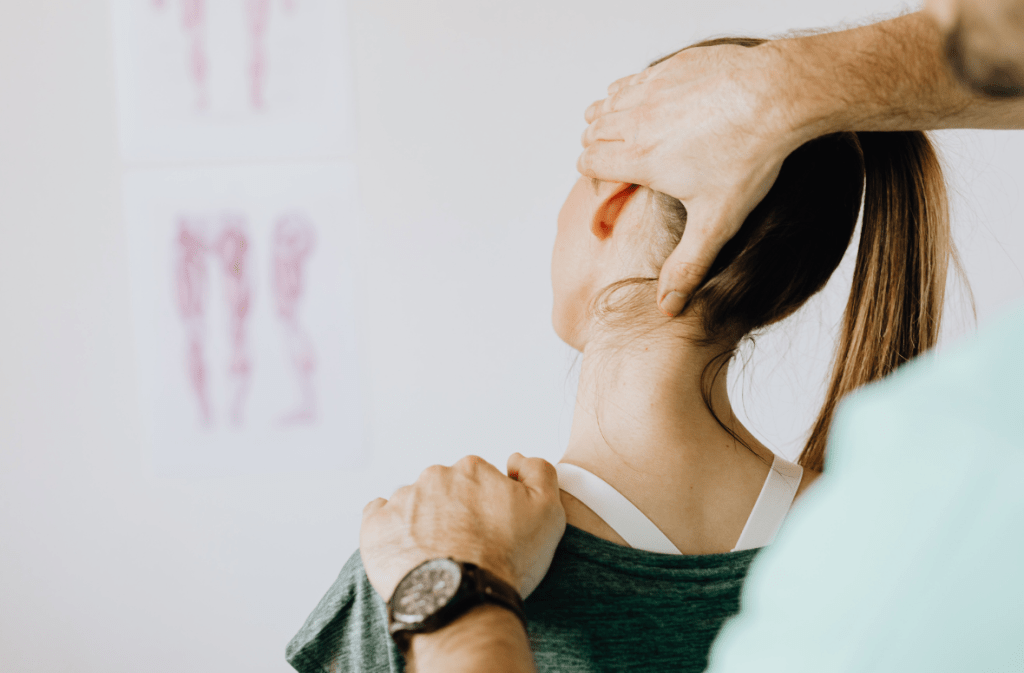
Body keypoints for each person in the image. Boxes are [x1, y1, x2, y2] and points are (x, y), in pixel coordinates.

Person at [334, 5, 1024, 673]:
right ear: (786, 278)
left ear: (611, 206)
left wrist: (447, 592)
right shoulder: (915, 544)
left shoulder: (422, 565)